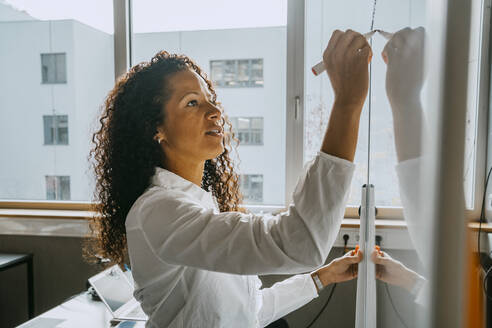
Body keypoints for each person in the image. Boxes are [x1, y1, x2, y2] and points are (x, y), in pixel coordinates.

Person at [89, 29, 371, 327]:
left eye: (211, 99)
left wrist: (321, 278)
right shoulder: (157, 212)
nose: (214, 111)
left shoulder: (200, 205)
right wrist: (347, 105)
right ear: (155, 129)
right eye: (192, 103)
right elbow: (301, 243)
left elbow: (249, 311)